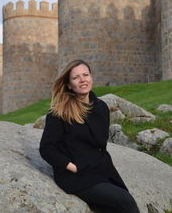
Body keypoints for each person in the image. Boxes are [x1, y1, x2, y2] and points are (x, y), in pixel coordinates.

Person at [39, 59, 140, 213]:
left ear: (91, 77)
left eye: (85, 75)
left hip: (102, 169)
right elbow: (47, 148)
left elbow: (100, 145)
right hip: (77, 177)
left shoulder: (101, 107)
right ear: (69, 84)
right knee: (125, 203)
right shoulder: (59, 113)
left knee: (121, 201)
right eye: (76, 77)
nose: (82, 80)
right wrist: (72, 167)